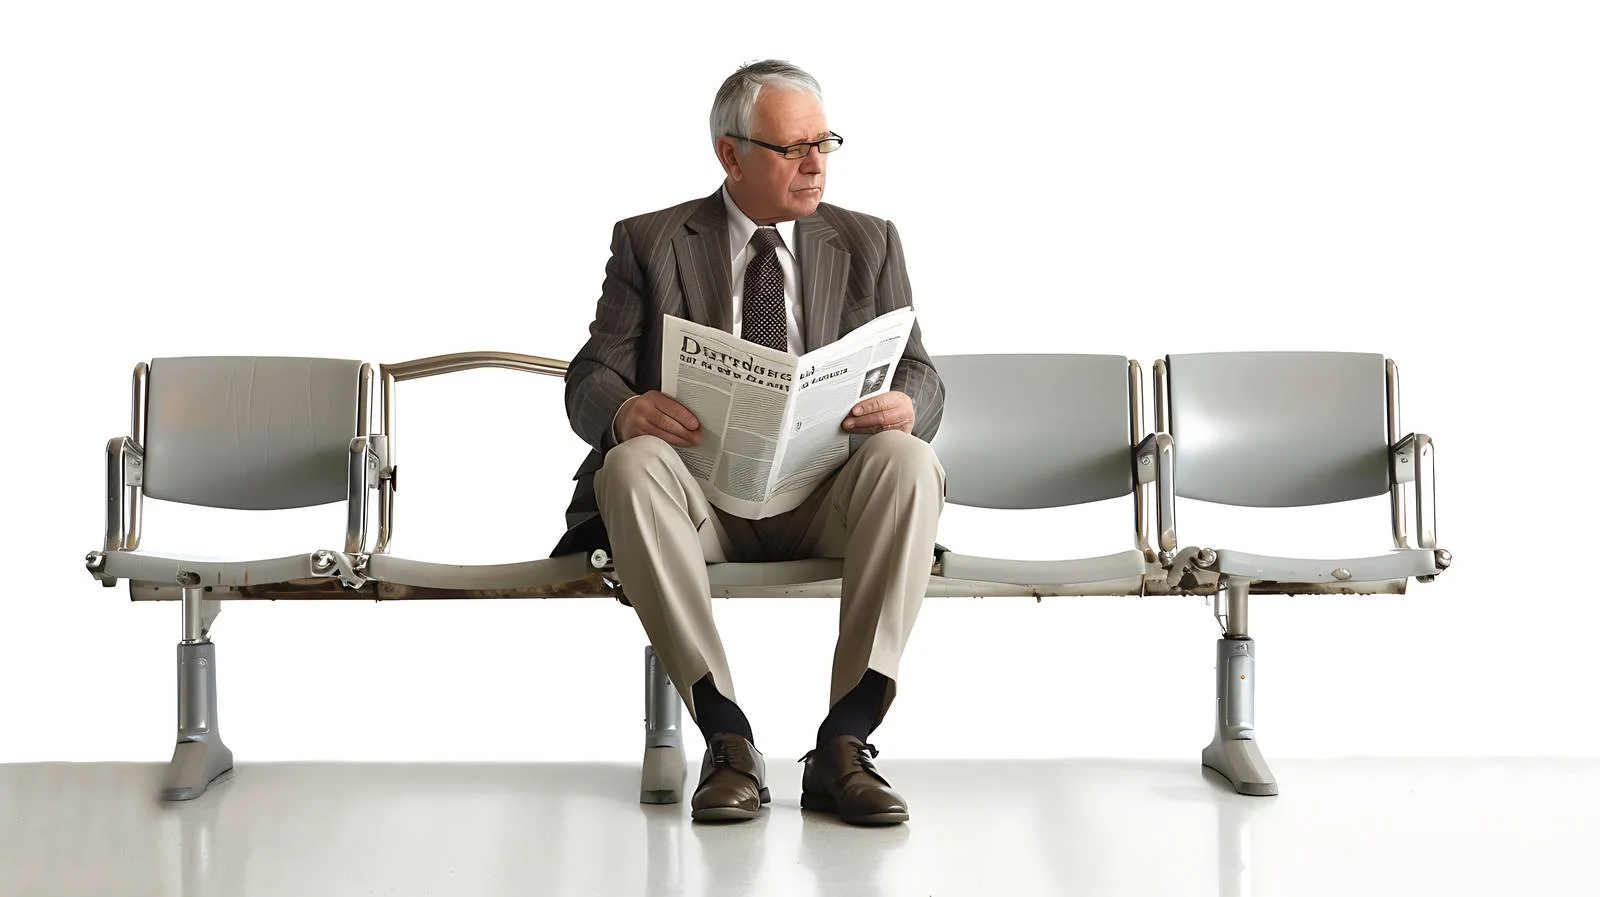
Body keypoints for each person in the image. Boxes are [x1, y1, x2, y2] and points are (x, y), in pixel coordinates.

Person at [555, 59, 945, 826]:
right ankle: (726, 736)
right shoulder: (652, 241)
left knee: (910, 458)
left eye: (824, 143)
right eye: (792, 147)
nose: (815, 164)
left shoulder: (869, 242)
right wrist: (627, 409)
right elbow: (589, 373)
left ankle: (845, 740)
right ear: (731, 155)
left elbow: (923, 372)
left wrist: (907, 405)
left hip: (824, 494)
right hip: (700, 503)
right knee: (630, 466)